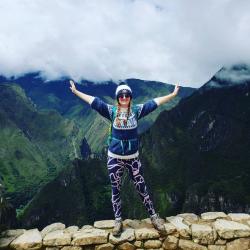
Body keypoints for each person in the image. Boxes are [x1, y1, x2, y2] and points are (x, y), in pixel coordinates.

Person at [69, 80, 180, 236]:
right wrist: (76, 92)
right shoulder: (111, 111)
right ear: (117, 97)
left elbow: (154, 103)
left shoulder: (136, 111)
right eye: (121, 95)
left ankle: (154, 217)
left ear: (130, 97)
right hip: (115, 158)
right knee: (116, 190)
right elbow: (94, 101)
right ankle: (118, 221)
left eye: (127, 95)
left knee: (142, 188)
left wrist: (173, 94)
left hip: (133, 158)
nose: (124, 97)